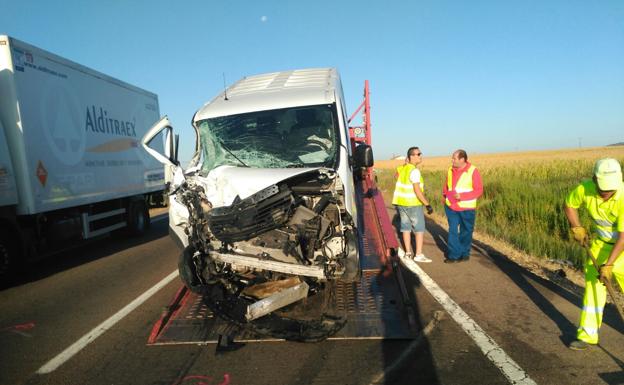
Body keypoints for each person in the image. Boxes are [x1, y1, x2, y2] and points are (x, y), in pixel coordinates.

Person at [564, 158, 624, 350]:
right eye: (602, 188)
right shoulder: (585, 188)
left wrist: (609, 264)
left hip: (621, 246)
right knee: (593, 290)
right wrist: (577, 227)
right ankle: (588, 336)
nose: (606, 193)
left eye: (610, 189)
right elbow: (569, 204)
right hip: (601, 245)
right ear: (594, 179)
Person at [392, 147, 434, 263]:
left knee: (405, 228)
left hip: (401, 203)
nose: (420, 155)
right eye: (418, 154)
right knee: (419, 229)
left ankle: (408, 253)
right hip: (413, 204)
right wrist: (427, 204)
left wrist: (405, 165)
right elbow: (417, 190)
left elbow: (396, 177)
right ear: (411, 157)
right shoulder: (414, 171)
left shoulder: (403, 169)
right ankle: (419, 254)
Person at [442, 149, 483, 263]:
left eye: (454, 158)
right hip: (451, 206)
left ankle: (464, 253)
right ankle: (454, 255)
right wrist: (444, 197)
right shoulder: (450, 170)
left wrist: (462, 196)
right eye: (452, 158)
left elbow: (479, 190)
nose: (452, 160)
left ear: (462, 159)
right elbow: (446, 186)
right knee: (453, 231)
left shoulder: (473, 171)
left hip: (467, 207)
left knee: (466, 231)